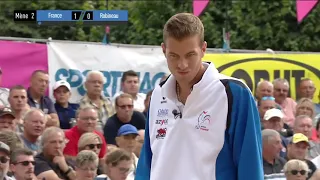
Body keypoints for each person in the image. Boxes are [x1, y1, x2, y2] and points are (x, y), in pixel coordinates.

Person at [135, 13, 263, 180]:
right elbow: (148, 162)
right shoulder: (158, 93)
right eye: (174, 56)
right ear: (164, 50)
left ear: (203, 49)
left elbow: (250, 165)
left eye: (190, 55)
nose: (182, 64)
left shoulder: (234, 93)